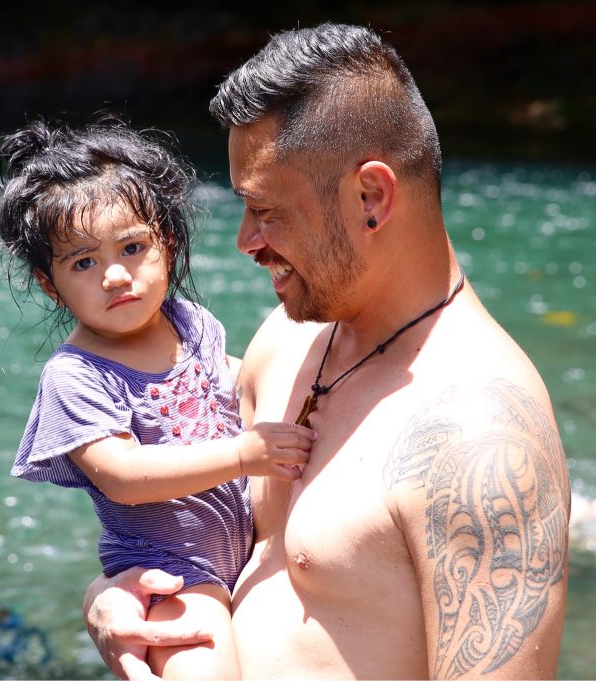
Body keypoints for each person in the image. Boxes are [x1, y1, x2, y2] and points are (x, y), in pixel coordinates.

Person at [84, 23, 571, 680]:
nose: (245, 242)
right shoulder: (284, 340)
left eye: (265, 209)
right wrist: (110, 600)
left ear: (370, 197)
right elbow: (202, 543)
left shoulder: (478, 435)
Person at [0, 118, 316, 679]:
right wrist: (246, 454)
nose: (116, 276)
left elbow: (233, 381)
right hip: (169, 574)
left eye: (132, 247)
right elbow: (121, 473)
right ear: (51, 284)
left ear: (166, 244)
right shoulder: (76, 376)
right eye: (83, 262)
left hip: (242, 551)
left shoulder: (187, 321)